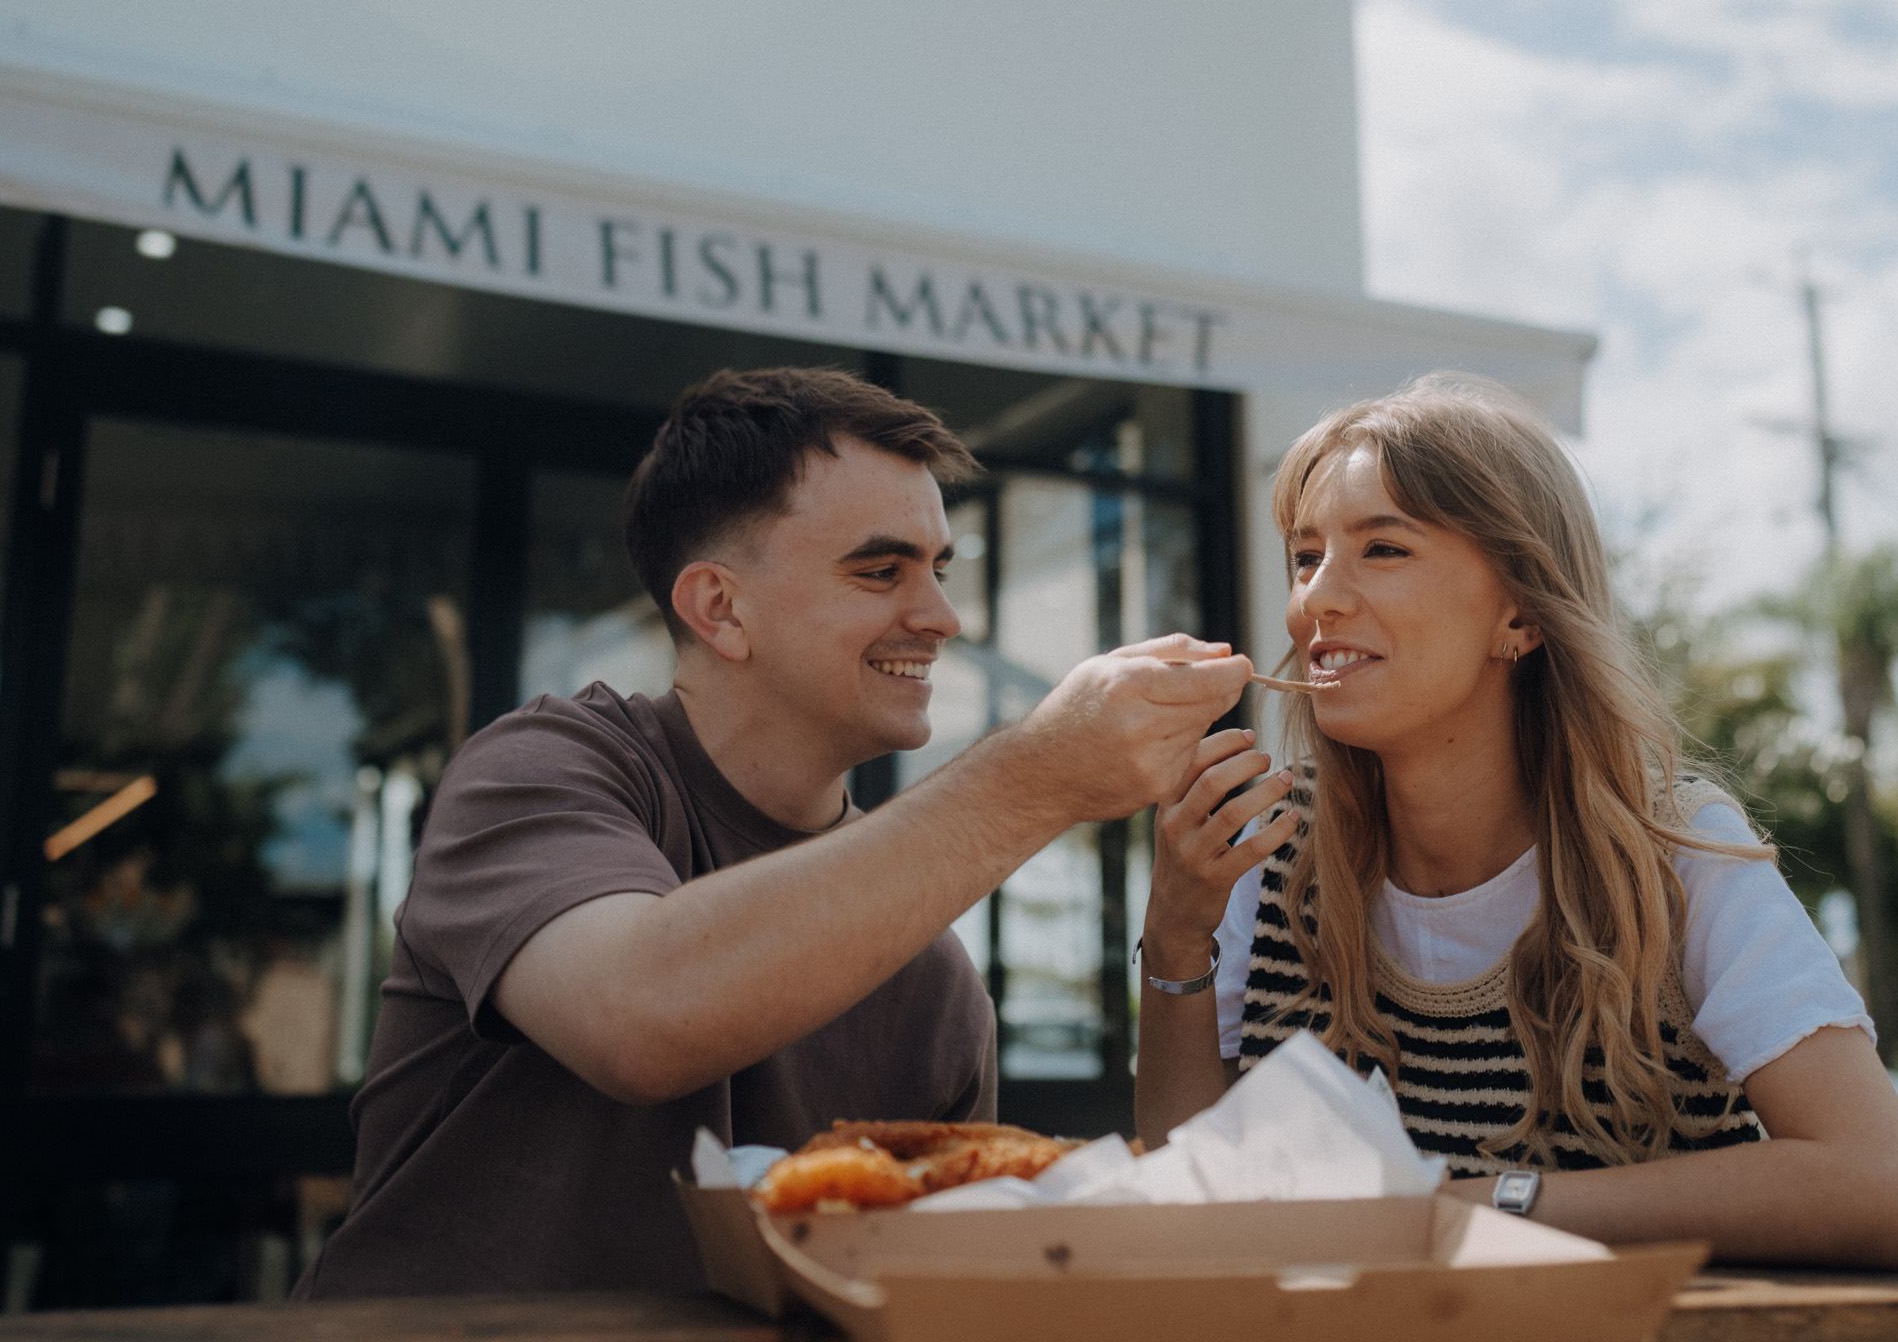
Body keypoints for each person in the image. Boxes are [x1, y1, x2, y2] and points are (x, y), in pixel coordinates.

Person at [301, 366, 1250, 1298]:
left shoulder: (931, 986)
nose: (942, 617)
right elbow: (642, 1016)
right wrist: (1035, 773)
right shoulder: (541, 769)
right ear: (720, 607)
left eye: (940, 570)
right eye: (881, 570)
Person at [1135, 373, 1898, 1269]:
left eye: (1383, 550)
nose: (1317, 598)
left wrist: (1480, 1206)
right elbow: (1187, 1213)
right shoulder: (1269, 848)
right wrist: (1173, 941)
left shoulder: (1675, 852)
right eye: (1306, 555)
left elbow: (1877, 1187)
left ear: (1518, 611)